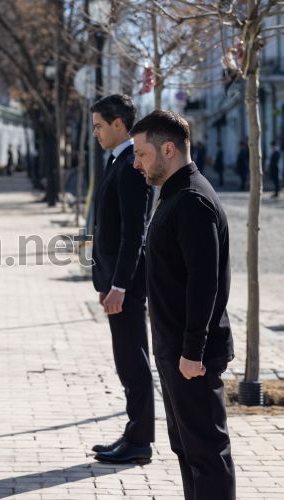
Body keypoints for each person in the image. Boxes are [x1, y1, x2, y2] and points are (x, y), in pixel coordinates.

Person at [131, 109, 235, 500]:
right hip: (175, 348)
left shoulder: (192, 200)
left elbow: (204, 283)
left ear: (169, 149)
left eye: (141, 153)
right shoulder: (175, 194)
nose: (136, 163)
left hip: (193, 355)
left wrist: (192, 351)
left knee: (206, 452)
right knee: (188, 450)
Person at [89, 95, 154, 464]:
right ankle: (134, 432)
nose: (96, 132)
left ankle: (140, 441)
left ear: (118, 124)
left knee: (133, 359)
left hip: (125, 284)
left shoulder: (131, 165)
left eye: (99, 125)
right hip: (115, 280)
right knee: (126, 358)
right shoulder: (117, 161)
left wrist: (119, 286)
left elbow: (134, 233)